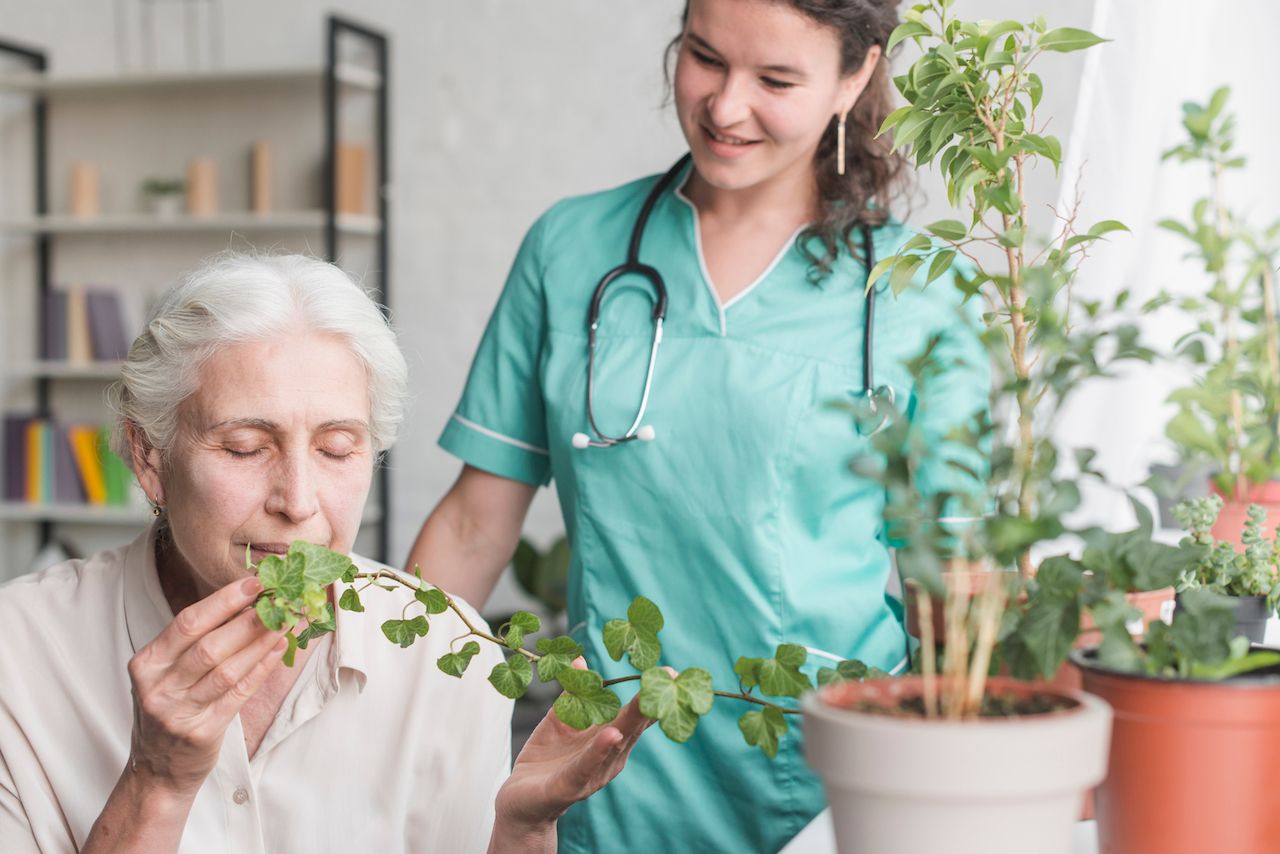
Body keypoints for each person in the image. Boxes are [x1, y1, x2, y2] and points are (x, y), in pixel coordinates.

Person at [408, 0, 989, 850]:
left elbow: (953, 586)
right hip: (611, 769)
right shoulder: (570, 249)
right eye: (705, 58)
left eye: (776, 79)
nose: (723, 107)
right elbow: (472, 522)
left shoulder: (919, 292)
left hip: (831, 777)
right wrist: (370, 702)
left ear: (855, 75)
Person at [0, 253, 654, 854]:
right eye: (245, 448)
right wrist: (156, 781)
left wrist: (520, 832)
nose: (299, 501)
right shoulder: (18, 653)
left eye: (338, 448)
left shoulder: (446, 656)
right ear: (149, 458)